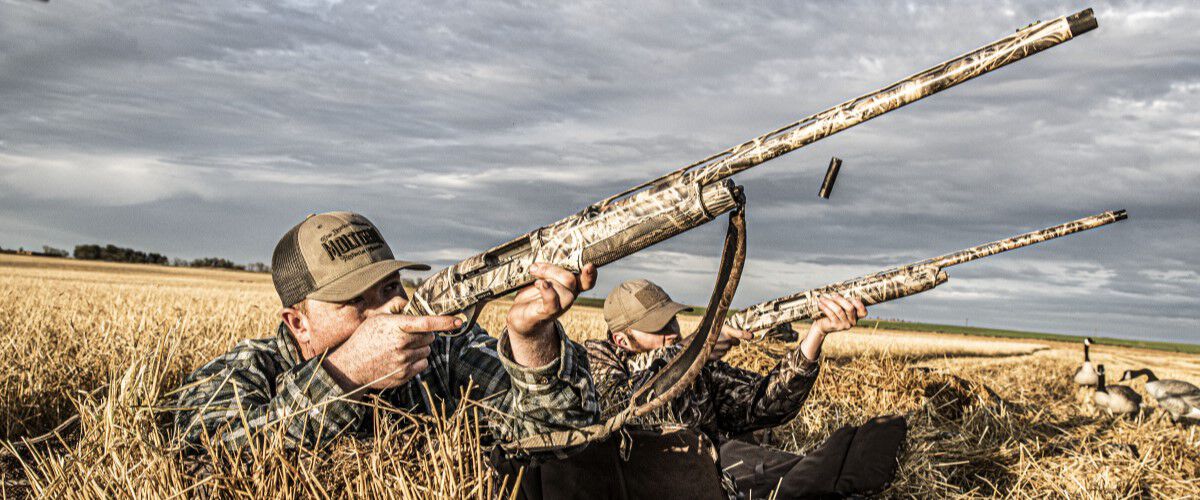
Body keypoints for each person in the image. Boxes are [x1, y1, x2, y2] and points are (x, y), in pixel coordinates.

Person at [171, 211, 599, 452]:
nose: (393, 305)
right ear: (298, 322)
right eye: (359, 297)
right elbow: (203, 459)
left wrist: (531, 341)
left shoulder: (444, 349)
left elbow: (563, 437)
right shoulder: (245, 369)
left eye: (392, 285)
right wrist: (347, 375)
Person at [586, 279, 907, 499]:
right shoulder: (594, 364)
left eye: (673, 323)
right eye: (658, 328)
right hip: (640, 484)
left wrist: (816, 335)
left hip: (710, 478)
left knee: (835, 468)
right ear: (621, 340)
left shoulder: (696, 367)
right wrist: (693, 350)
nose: (671, 334)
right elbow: (622, 402)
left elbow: (765, 404)